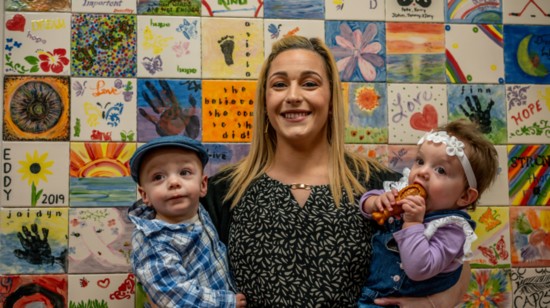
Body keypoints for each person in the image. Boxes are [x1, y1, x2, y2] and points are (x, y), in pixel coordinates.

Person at [200, 35, 471, 307]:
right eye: (280, 85)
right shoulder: (222, 192)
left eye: (309, 84)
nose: (293, 96)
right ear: (264, 101)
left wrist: (430, 305)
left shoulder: (384, 189)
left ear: (331, 99)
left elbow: (457, 265)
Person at [358, 119, 499, 307]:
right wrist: (374, 202)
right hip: (371, 297)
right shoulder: (402, 191)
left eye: (440, 170)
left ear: (465, 197)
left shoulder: (451, 230)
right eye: (420, 161)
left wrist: (413, 223)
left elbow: (419, 268)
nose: (423, 172)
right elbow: (366, 205)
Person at [127, 135, 246, 308]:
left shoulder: (198, 211)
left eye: (185, 173)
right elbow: (175, 296)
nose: (174, 182)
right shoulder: (152, 241)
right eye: (158, 177)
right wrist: (227, 302)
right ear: (145, 195)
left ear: (203, 185)